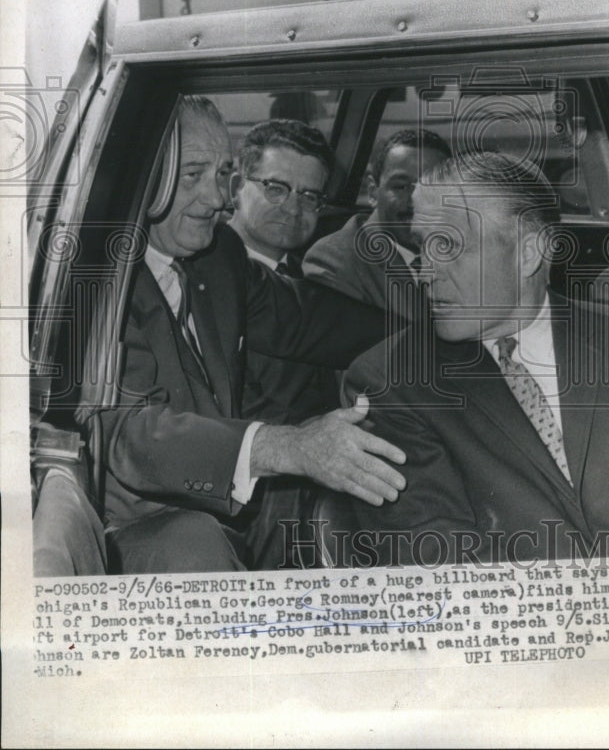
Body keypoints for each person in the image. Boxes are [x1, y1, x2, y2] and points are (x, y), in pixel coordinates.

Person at [101, 96, 406, 574]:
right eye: (193, 175)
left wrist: (433, 337)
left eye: (222, 174)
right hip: (139, 533)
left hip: (223, 517)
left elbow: (308, 321)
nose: (218, 198)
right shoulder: (100, 282)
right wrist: (289, 447)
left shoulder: (217, 254)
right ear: (146, 181)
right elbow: (129, 434)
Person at [340, 151, 609, 565]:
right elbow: (439, 558)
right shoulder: (388, 382)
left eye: (448, 246)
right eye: (422, 246)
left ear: (528, 253)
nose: (425, 271)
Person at [229, 118, 340, 423]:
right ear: (237, 188)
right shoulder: (199, 276)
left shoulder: (313, 276)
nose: (293, 208)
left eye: (309, 196)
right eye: (276, 188)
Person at [303, 128, 451, 316]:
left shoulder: (464, 249)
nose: (416, 199)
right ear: (373, 191)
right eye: (401, 186)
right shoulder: (334, 262)